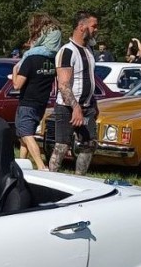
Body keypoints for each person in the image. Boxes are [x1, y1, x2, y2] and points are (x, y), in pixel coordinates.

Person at [49, 11, 100, 175]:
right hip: (67, 107)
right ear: (81, 27)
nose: (96, 30)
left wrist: (93, 103)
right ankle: (52, 177)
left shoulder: (89, 50)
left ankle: (80, 178)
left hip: (87, 106)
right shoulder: (67, 51)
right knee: (62, 146)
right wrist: (75, 107)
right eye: (94, 26)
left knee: (89, 143)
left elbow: (89, 79)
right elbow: (63, 85)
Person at [11, 34, 56, 171]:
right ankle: (21, 164)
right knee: (22, 136)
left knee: (26, 135)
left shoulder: (30, 60)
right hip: (41, 103)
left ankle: (41, 166)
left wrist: (14, 71)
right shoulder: (52, 60)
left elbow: (17, 85)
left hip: (28, 103)